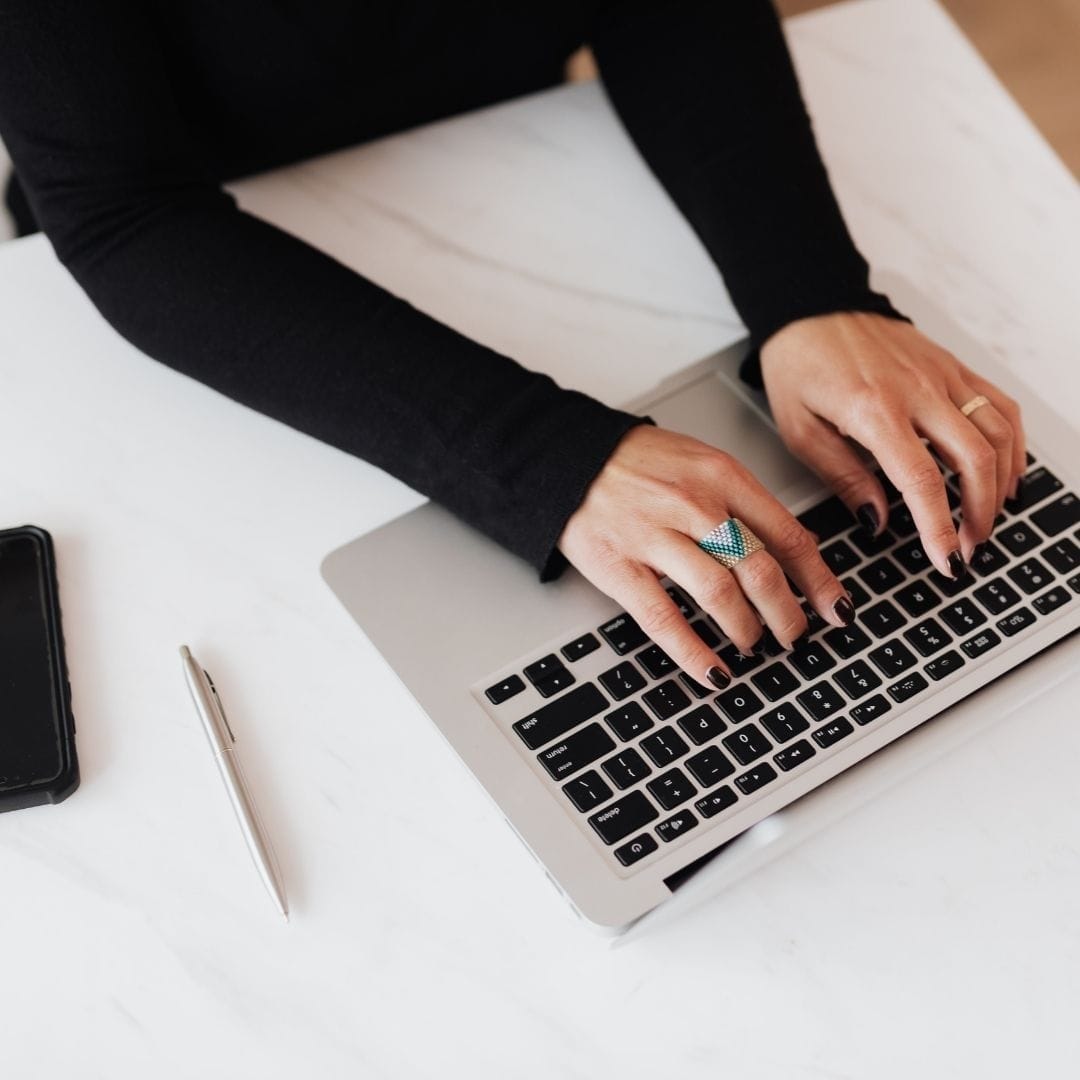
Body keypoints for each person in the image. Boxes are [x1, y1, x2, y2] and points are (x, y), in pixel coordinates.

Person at [0, 2, 1025, 690]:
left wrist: (809, 295)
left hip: (518, 136)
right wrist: (551, 460)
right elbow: (122, 211)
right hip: (206, 261)